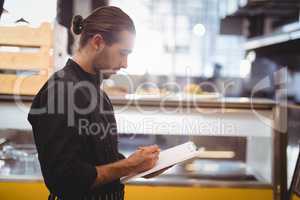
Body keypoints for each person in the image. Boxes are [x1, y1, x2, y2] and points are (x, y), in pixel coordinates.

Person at [28, 6, 166, 200]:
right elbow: (64, 179)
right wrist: (130, 165)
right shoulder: (61, 91)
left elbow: (100, 161)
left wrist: (141, 167)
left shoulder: (99, 94)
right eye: (123, 53)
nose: (126, 63)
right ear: (98, 42)